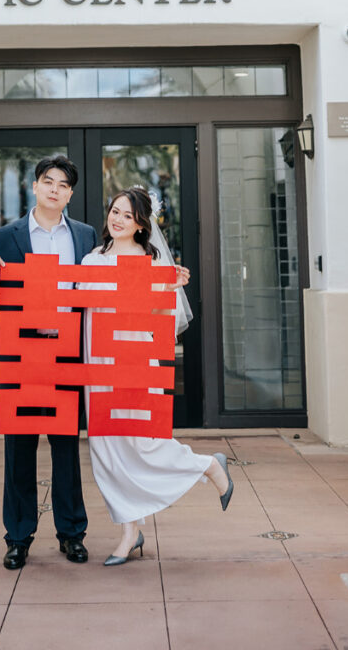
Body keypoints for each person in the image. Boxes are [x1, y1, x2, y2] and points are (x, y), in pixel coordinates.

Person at [80, 187, 234, 565]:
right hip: (97, 366)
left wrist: (168, 288)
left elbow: (164, 325)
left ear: (141, 224)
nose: (117, 219)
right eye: (114, 211)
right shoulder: (90, 259)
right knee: (107, 452)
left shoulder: (152, 264)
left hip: (135, 360)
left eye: (127, 216)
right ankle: (130, 532)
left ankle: (208, 465)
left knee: (144, 443)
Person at [0, 155, 97, 571]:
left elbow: (102, 285)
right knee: (19, 450)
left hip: (67, 354)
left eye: (63, 184)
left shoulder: (84, 235)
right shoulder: (6, 236)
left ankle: (71, 534)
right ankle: (18, 537)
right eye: (48, 181)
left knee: (66, 449)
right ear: (35, 186)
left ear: (70, 194)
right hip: (22, 356)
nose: (54, 189)